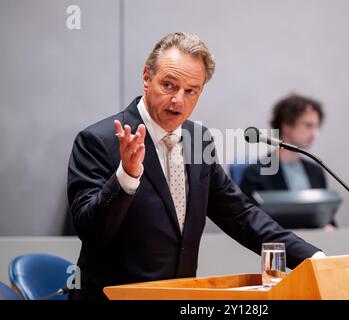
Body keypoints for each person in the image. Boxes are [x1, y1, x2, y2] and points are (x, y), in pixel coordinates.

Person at [67, 32, 324, 300]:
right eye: (169, 85)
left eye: (191, 91)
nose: (179, 99)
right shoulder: (98, 140)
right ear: (146, 77)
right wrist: (127, 177)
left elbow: (240, 215)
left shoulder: (198, 140)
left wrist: (312, 258)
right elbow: (89, 231)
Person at [239, 94, 336, 229]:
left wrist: (330, 226)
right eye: (308, 125)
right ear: (287, 125)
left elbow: (327, 217)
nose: (314, 134)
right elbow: (248, 222)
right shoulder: (256, 173)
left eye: (316, 127)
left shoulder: (316, 171)